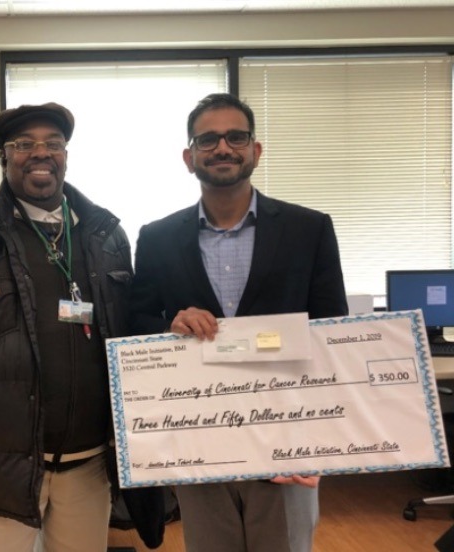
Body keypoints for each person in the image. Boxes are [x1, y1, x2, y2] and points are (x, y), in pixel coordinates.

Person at [0, 102, 163, 551]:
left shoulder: (106, 235)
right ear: (4, 157)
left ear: (66, 154)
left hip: (90, 463)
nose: (40, 153)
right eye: (23, 144)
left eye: (53, 143)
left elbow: (131, 334)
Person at [128, 92, 349, 552]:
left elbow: (333, 333)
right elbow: (137, 324)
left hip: (287, 434)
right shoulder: (157, 238)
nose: (223, 147)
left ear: (255, 150)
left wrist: (321, 438)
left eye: (236, 136)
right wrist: (171, 323)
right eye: (208, 139)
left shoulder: (309, 229)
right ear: (189, 158)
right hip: (198, 435)